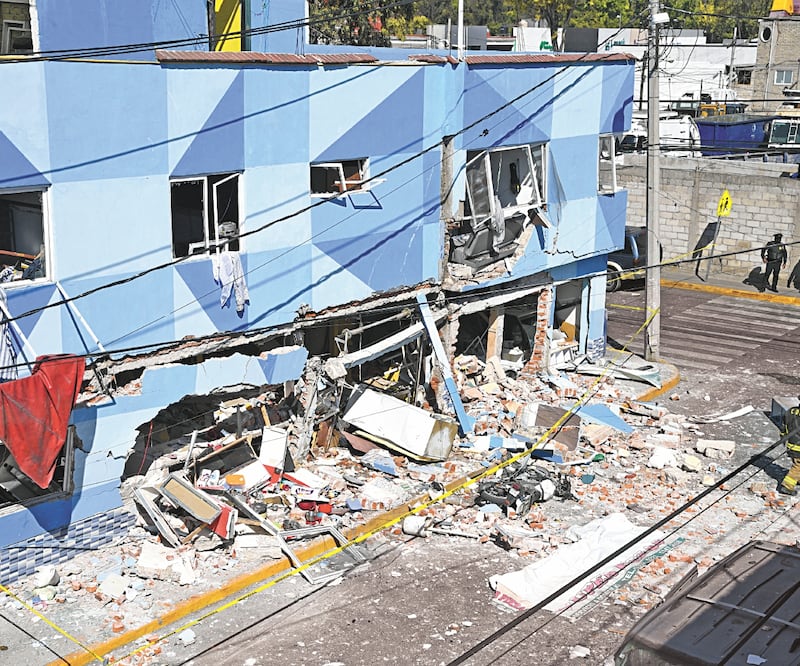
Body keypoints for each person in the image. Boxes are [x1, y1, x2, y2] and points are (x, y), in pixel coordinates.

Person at [780, 398, 800, 494]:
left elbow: (784, 427)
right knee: (798, 466)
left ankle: (797, 479)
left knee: (797, 465)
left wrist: (783, 439)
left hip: (791, 444)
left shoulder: (791, 411)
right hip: (799, 446)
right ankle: (787, 486)